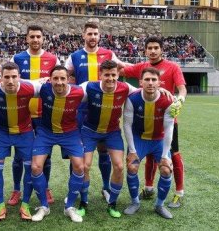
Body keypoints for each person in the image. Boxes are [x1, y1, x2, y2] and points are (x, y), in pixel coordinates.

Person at [64, 22, 127, 214]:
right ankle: (74, 191)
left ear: (99, 36)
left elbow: (124, 68)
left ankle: (107, 188)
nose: (93, 37)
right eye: (89, 33)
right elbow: (64, 75)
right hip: (83, 111)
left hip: (105, 109)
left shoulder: (109, 55)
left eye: (96, 34)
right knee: (79, 157)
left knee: (104, 152)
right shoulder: (74, 56)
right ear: (83, 35)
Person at [121, 36, 187, 207]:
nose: (153, 51)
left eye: (156, 47)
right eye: (149, 48)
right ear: (145, 50)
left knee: (172, 156)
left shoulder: (173, 67)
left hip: (167, 120)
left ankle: (179, 192)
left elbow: (182, 89)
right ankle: (149, 188)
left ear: (161, 49)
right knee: (149, 156)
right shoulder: (142, 67)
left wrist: (180, 100)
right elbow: (120, 70)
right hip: (145, 121)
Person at [79, 60, 139, 218]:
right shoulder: (88, 86)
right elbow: (70, 94)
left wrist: (162, 90)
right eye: (107, 75)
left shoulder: (125, 88)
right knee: (85, 166)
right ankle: (83, 202)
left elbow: (142, 91)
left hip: (112, 132)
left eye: (113, 75)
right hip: (89, 131)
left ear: (118, 75)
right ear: (100, 75)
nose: (111, 78)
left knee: (119, 166)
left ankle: (112, 203)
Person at [0, 62, 39, 221]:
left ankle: (25, 204)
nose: (11, 81)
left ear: (20, 77)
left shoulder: (30, 88)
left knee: (31, 169)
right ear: (1, 78)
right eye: (7, 77)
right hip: (2, 133)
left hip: (25, 133)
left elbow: (48, 85)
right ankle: (0, 205)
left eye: (14, 77)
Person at [9, 25, 60, 205]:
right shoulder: (18, 58)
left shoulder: (52, 59)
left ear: (43, 38)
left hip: (45, 115)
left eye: (38, 36)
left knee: (45, 155)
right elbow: (10, 79)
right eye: (32, 37)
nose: (35, 40)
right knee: (19, 156)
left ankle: (44, 188)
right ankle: (16, 189)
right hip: (22, 114)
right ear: (27, 38)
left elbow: (59, 82)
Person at [30, 65, 85, 223]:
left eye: (63, 78)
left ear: (69, 79)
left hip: (70, 133)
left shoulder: (79, 92)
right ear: (50, 79)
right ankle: (44, 206)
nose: (59, 82)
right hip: (46, 132)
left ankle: (69, 207)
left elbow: (99, 90)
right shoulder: (43, 89)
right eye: (56, 78)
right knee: (35, 167)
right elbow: (21, 84)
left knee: (79, 166)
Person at [123, 67, 174, 219]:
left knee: (166, 170)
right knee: (132, 166)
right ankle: (135, 202)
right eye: (147, 79)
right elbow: (126, 125)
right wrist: (132, 150)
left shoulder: (168, 100)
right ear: (141, 82)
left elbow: (169, 128)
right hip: (139, 139)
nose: (150, 83)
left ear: (159, 83)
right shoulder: (132, 98)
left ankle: (159, 205)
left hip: (159, 140)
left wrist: (165, 155)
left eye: (153, 80)